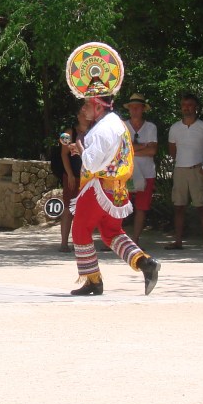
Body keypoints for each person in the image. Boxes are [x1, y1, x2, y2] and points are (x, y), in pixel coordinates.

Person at [64, 43, 160, 296]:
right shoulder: (116, 123)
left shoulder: (102, 128)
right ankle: (145, 263)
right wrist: (82, 150)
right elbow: (104, 157)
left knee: (81, 230)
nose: (84, 109)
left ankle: (93, 280)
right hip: (117, 192)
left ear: (97, 105)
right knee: (111, 232)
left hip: (98, 190)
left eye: (86, 104)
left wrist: (81, 149)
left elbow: (93, 163)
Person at [165, 93, 203, 250]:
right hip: (180, 169)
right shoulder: (174, 128)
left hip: (198, 169)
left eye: (190, 105)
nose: (186, 108)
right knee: (178, 206)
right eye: (184, 105)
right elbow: (172, 151)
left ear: (196, 107)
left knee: (202, 206)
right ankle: (178, 241)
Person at [124, 92, 158, 243]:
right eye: (132, 107)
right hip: (124, 173)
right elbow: (120, 149)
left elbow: (152, 151)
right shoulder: (123, 126)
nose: (135, 110)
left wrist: (131, 148)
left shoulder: (151, 127)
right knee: (119, 206)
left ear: (143, 109)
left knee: (141, 208)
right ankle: (116, 238)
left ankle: (135, 239)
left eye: (138, 108)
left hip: (146, 173)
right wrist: (142, 146)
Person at [59, 103, 90, 252]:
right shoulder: (68, 132)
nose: (84, 116)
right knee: (68, 208)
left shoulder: (95, 131)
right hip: (73, 176)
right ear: (78, 116)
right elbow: (63, 154)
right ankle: (64, 243)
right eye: (82, 113)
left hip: (89, 177)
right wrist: (70, 174)